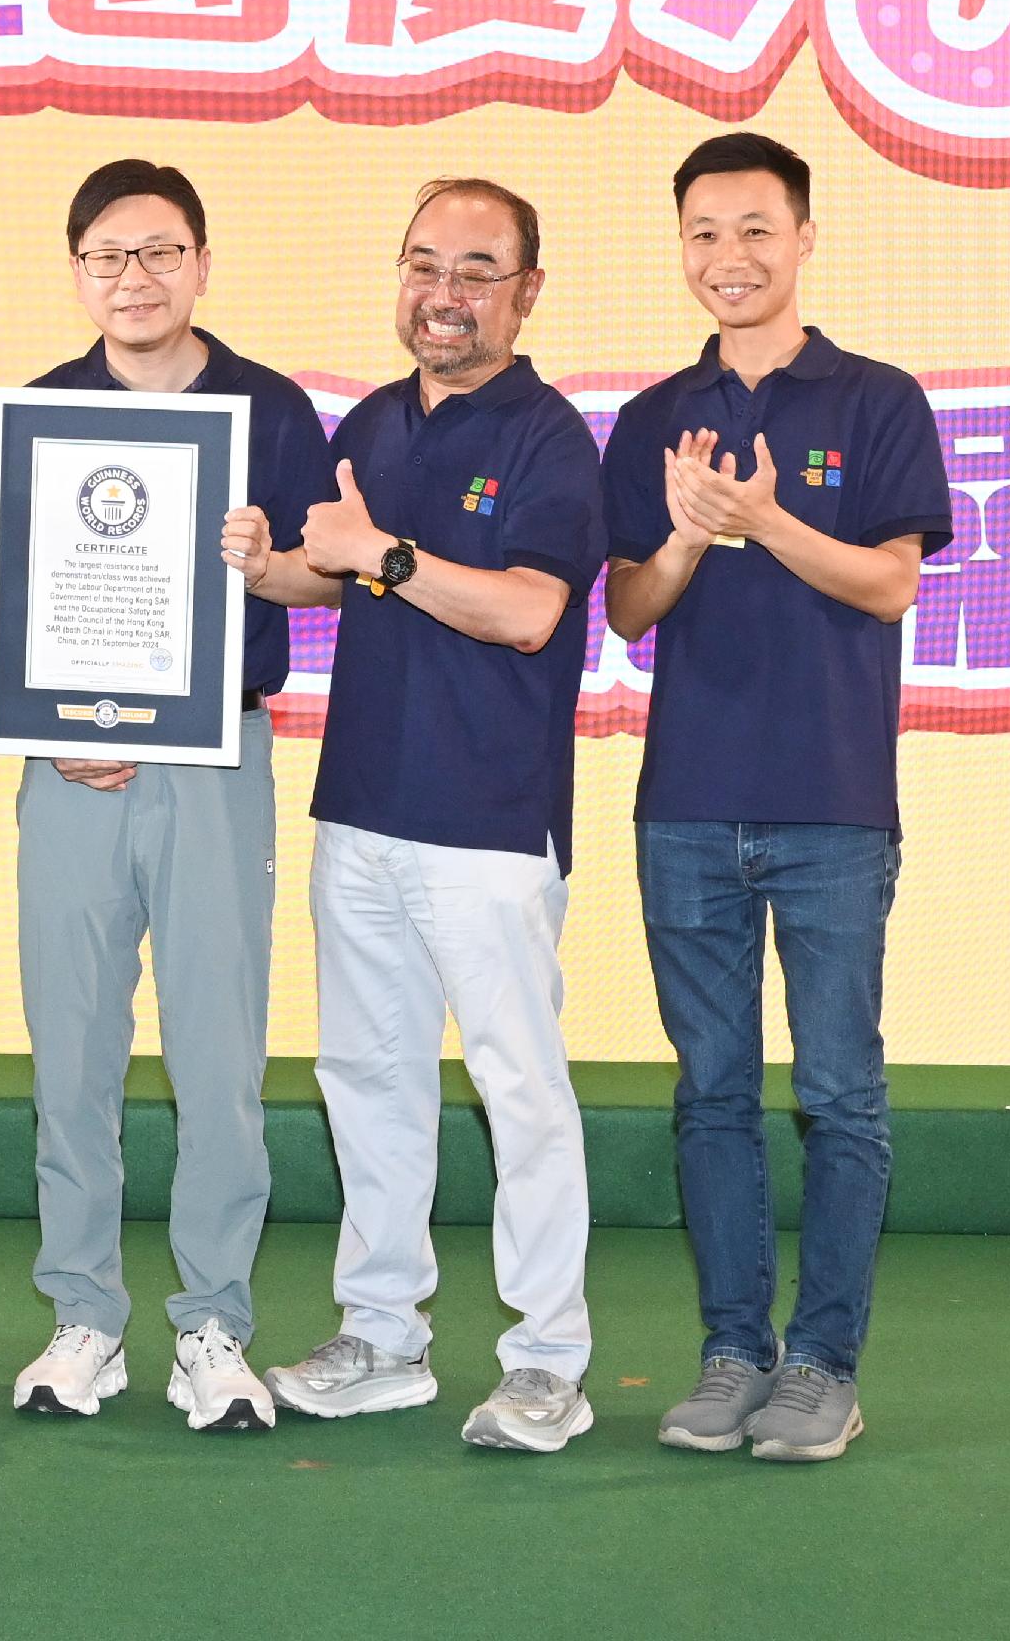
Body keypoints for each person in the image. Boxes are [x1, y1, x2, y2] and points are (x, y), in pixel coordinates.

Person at [603, 133, 949, 1465]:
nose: (728, 258)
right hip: (686, 801)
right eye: (702, 232)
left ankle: (823, 1365)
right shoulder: (649, 423)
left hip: (832, 805)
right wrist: (690, 531)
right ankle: (733, 1352)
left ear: (805, 237)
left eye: (755, 229)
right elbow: (630, 609)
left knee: (842, 1095)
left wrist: (765, 521)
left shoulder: (872, 402)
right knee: (710, 1095)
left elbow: (892, 583)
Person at [250, 178, 609, 1454]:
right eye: (421, 263)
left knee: (520, 1089)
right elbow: (334, 575)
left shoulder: (550, 437)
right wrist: (267, 561)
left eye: (474, 269)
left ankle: (546, 1360)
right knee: (368, 1079)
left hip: (490, 826)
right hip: (361, 807)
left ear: (525, 291)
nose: (442, 293)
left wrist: (379, 556)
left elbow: (525, 610)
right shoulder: (374, 422)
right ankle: (382, 1336)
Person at [2, 161, 331, 1435]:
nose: (131, 279)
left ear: (200, 260)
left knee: (216, 1051)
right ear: (76, 268)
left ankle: (213, 1325)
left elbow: (318, 576)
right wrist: (52, 720)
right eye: (104, 256)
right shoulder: (42, 412)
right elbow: (16, 598)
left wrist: (273, 563)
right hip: (70, 769)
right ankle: (83, 1315)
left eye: (157, 252)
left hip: (214, 764)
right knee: (72, 1053)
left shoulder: (272, 408)